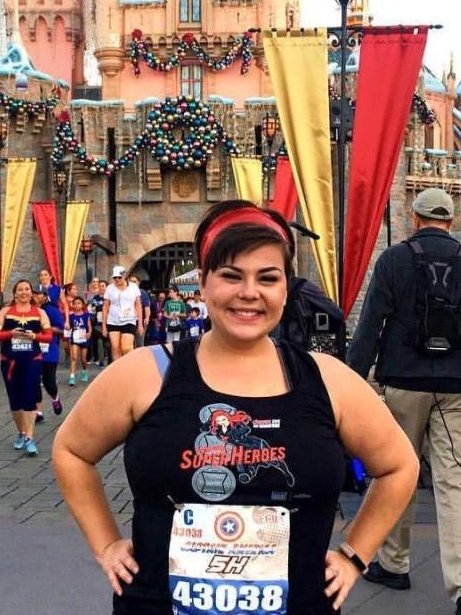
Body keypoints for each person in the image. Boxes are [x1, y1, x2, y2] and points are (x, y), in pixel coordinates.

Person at [53, 200, 419, 614]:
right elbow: (71, 452)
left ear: (285, 288)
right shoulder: (146, 373)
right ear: (204, 283)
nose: (249, 292)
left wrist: (355, 555)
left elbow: (399, 466)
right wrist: (105, 543)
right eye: (231, 276)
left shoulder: (328, 380)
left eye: (267, 277)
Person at [346, 188, 461, 615]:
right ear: (451, 219)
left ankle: (393, 562)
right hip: (458, 386)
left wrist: (350, 381)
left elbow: (370, 326)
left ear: (415, 217)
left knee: (396, 471)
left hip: (403, 382)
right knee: (457, 482)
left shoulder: (394, 260)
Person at [0, 279, 53, 456]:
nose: (24, 292)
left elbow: (48, 336)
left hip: (32, 360)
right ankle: (22, 432)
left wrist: (34, 336)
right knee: (15, 400)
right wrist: (11, 333)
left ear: (31, 293)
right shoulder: (5, 311)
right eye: (20, 289)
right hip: (9, 361)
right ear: (15, 293)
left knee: (30, 396)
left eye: (27, 289)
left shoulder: (40, 312)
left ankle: (30, 437)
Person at [33, 284, 65, 419]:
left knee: (48, 381)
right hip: (33, 349)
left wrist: (46, 328)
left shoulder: (51, 310)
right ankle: (38, 410)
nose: (35, 296)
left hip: (49, 350)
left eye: (39, 294)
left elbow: (61, 329)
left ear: (45, 296)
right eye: (34, 293)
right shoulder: (30, 310)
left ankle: (55, 397)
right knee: (33, 380)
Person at [101, 265, 143, 361]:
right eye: (114, 278)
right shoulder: (110, 288)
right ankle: (118, 371)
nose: (117, 280)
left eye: (119, 277)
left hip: (129, 320)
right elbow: (106, 306)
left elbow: (138, 305)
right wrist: (104, 325)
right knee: (115, 347)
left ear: (124, 276)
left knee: (126, 347)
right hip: (113, 320)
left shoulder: (133, 287)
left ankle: (130, 367)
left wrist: (140, 323)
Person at [68, 296, 93, 385]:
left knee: (83, 358)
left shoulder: (86, 315)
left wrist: (89, 333)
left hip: (84, 338)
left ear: (82, 305)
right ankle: (72, 376)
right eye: (75, 303)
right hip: (75, 338)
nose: (77, 305)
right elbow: (69, 327)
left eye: (79, 303)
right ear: (73, 305)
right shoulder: (71, 316)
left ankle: (84, 370)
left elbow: (89, 326)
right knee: (74, 357)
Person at [87, 282, 108, 366]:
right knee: (99, 341)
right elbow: (91, 308)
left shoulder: (109, 297)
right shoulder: (95, 298)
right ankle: (101, 360)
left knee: (107, 343)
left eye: (103, 286)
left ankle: (109, 359)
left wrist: (100, 308)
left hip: (109, 323)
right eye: (100, 286)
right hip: (97, 323)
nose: (101, 288)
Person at [129, 275, 151, 346]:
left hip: (140, 320)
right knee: (129, 342)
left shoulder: (143, 293)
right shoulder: (126, 292)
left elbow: (147, 307)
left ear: (139, 283)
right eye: (131, 281)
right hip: (128, 320)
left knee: (139, 342)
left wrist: (147, 317)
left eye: (134, 281)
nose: (133, 283)